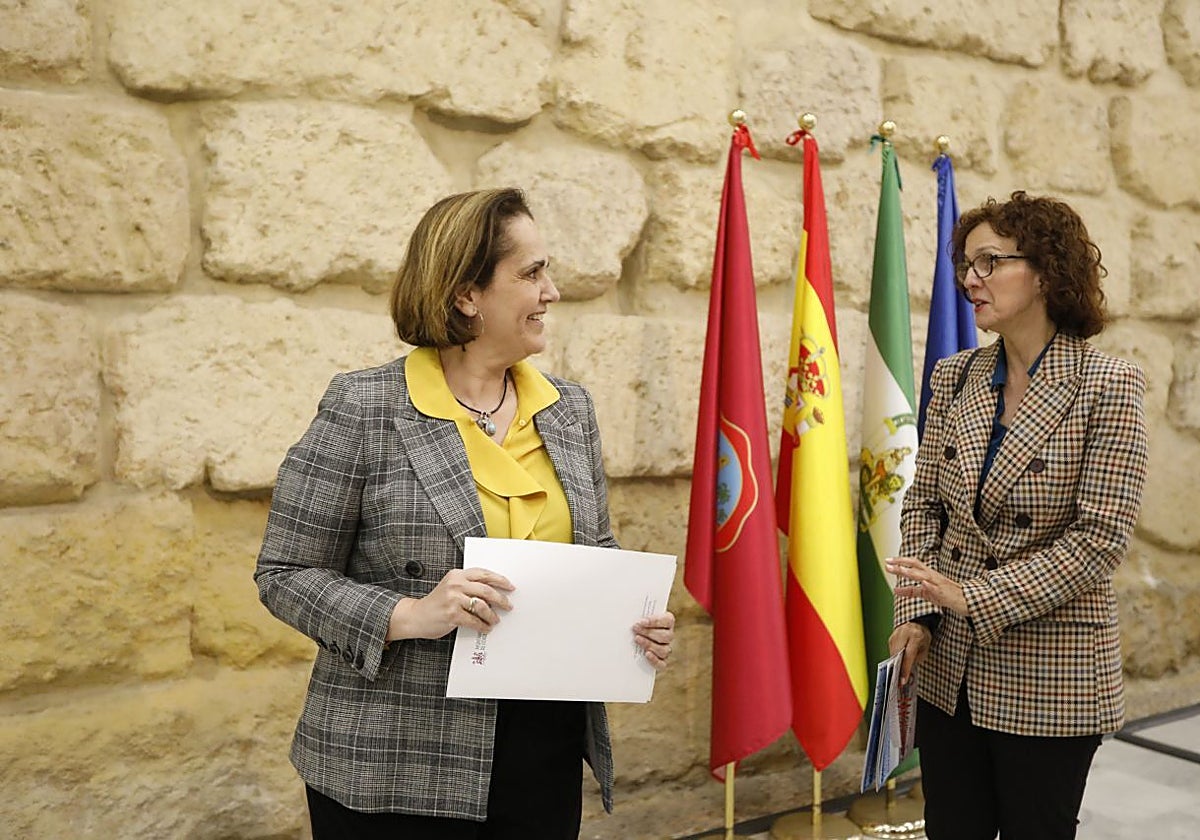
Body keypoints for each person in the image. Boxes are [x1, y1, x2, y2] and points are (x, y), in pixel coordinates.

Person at [255, 188, 676, 840]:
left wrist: (634, 619)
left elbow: (594, 551)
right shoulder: (364, 407)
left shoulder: (570, 410)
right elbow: (284, 573)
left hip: (542, 753)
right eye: (531, 273)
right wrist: (409, 614)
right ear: (466, 295)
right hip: (393, 763)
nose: (551, 292)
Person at [885, 191, 1148, 840]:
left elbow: (1098, 541)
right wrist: (916, 614)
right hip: (949, 668)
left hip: (1050, 674)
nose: (969, 281)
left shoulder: (1108, 385)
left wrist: (970, 597)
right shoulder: (954, 376)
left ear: (1047, 272)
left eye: (989, 262)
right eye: (966, 265)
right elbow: (924, 504)